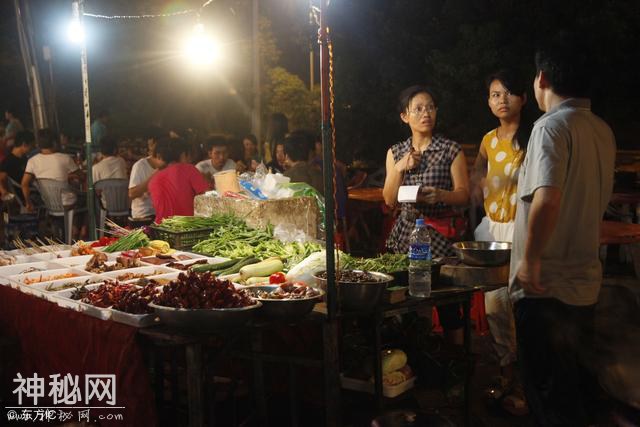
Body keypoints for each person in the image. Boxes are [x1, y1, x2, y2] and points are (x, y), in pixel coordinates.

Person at [510, 34, 615, 426]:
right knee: (577, 397)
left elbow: (548, 198)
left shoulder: (550, 128)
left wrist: (531, 262)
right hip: (584, 286)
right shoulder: (602, 129)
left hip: (545, 289)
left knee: (550, 399)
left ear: (541, 78)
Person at [383, 85, 469, 345]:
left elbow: (464, 194)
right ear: (404, 116)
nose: (426, 113)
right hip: (405, 237)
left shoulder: (450, 150)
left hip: (441, 239)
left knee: (449, 307)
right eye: (418, 109)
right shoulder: (396, 152)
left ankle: (455, 361)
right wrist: (400, 167)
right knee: (405, 302)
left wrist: (441, 195)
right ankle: (415, 354)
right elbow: (388, 199)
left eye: (430, 107)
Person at [471, 69, 529, 415]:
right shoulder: (488, 140)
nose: (501, 100)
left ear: (523, 98)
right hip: (492, 232)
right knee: (495, 309)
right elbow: (478, 175)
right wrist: (474, 185)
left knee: (522, 308)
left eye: (508, 93)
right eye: (495, 94)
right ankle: (507, 377)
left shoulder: (534, 136)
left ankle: (524, 385)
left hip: (523, 230)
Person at [148, 137, 210, 223]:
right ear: (183, 154)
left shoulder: (154, 180)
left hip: (162, 228)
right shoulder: (189, 169)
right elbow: (207, 198)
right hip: (188, 228)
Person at [21, 129, 81, 213]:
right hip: (68, 203)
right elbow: (81, 176)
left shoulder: (32, 161)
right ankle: (79, 225)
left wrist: (28, 203)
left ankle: (70, 225)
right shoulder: (65, 158)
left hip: (48, 203)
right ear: (55, 143)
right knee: (88, 201)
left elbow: (24, 184)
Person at [128, 126, 165, 222]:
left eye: (153, 145)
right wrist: (157, 173)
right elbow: (132, 193)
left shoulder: (170, 165)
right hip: (144, 215)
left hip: (164, 214)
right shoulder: (140, 165)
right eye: (150, 145)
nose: (151, 148)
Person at [0, 130, 35, 200]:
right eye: (32, 145)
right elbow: (1, 178)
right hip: (27, 195)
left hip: (30, 190)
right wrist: (3, 191)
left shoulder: (23, 157)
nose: (33, 148)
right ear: (24, 144)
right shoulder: (8, 161)